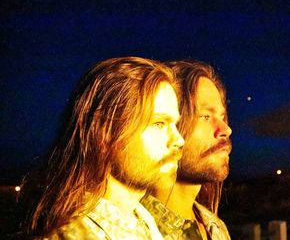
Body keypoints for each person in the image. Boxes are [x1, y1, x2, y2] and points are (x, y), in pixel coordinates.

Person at [25, 57, 184, 239]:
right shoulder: (76, 234)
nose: (179, 140)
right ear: (105, 133)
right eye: (159, 123)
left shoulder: (140, 218)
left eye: (175, 124)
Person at [141, 60, 232, 239]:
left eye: (222, 116)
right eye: (205, 116)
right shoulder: (134, 231)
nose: (226, 129)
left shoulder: (216, 228)